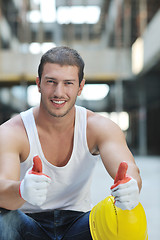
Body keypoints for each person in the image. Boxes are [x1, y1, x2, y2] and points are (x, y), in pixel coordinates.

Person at [0, 46, 141, 240]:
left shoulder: (99, 127)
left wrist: (130, 187)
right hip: (28, 225)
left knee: (128, 216)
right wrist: (22, 190)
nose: (59, 92)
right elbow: (2, 188)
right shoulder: (12, 132)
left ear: (80, 87)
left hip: (79, 226)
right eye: (51, 82)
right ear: (39, 83)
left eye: (68, 83)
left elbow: (129, 170)